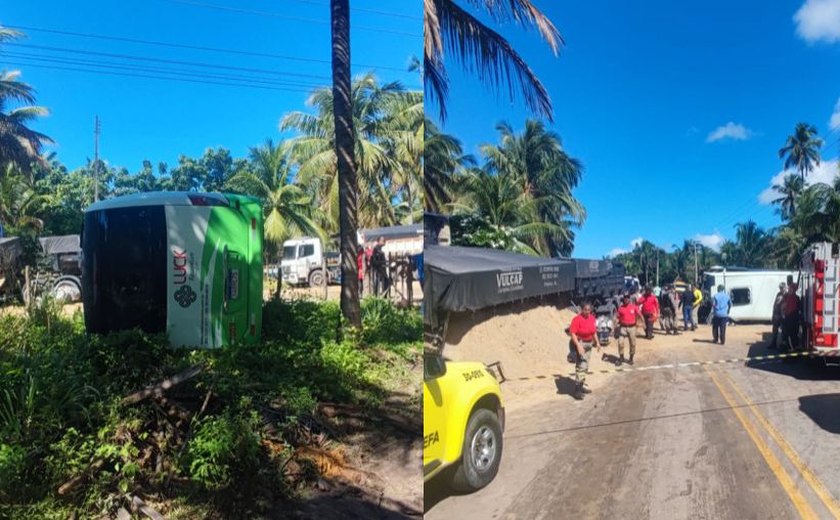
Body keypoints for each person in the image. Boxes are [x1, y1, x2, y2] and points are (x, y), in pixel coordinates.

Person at [569, 302, 596, 400]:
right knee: (581, 366)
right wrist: (578, 346)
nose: (587, 312)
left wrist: (597, 343)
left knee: (586, 367)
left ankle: (581, 386)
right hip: (581, 343)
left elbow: (594, 332)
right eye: (585, 310)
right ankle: (577, 391)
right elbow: (573, 333)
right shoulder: (577, 319)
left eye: (589, 310)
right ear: (582, 310)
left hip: (589, 344)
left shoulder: (592, 318)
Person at [615, 294, 641, 366]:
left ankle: (631, 358)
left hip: (632, 327)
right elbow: (617, 317)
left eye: (627, 298)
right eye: (625, 298)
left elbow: (639, 315)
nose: (626, 299)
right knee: (620, 343)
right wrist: (614, 326)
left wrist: (638, 322)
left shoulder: (634, 307)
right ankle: (621, 358)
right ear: (623, 299)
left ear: (629, 299)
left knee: (632, 343)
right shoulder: (621, 308)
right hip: (623, 327)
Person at [781, 282, 801, 352]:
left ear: (793, 290)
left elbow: (786, 307)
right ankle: (793, 348)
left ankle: (791, 349)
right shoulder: (790, 297)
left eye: (790, 288)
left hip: (791, 319)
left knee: (791, 335)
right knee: (792, 335)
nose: (789, 289)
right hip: (791, 319)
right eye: (789, 288)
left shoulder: (793, 298)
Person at [769, 282, 785, 349]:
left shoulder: (786, 295)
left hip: (782, 316)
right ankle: (773, 344)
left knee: (783, 332)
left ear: (784, 287)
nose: (780, 289)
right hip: (776, 315)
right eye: (780, 287)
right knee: (775, 330)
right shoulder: (778, 294)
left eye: (781, 287)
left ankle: (783, 345)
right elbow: (775, 305)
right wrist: (773, 315)